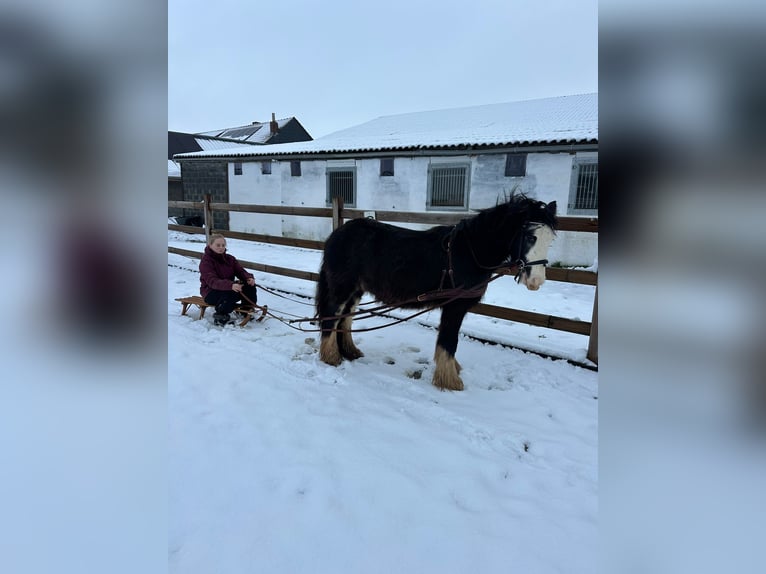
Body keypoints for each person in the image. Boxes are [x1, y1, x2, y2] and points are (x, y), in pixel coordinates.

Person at [199, 234, 258, 326]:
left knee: (249, 286)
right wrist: (230, 285)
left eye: (223, 245)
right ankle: (220, 315)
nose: (221, 248)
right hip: (210, 292)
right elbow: (212, 281)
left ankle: (246, 310)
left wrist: (248, 278)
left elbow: (240, 271)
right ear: (210, 245)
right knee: (230, 292)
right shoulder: (206, 262)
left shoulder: (230, 259)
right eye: (218, 245)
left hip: (229, 287)